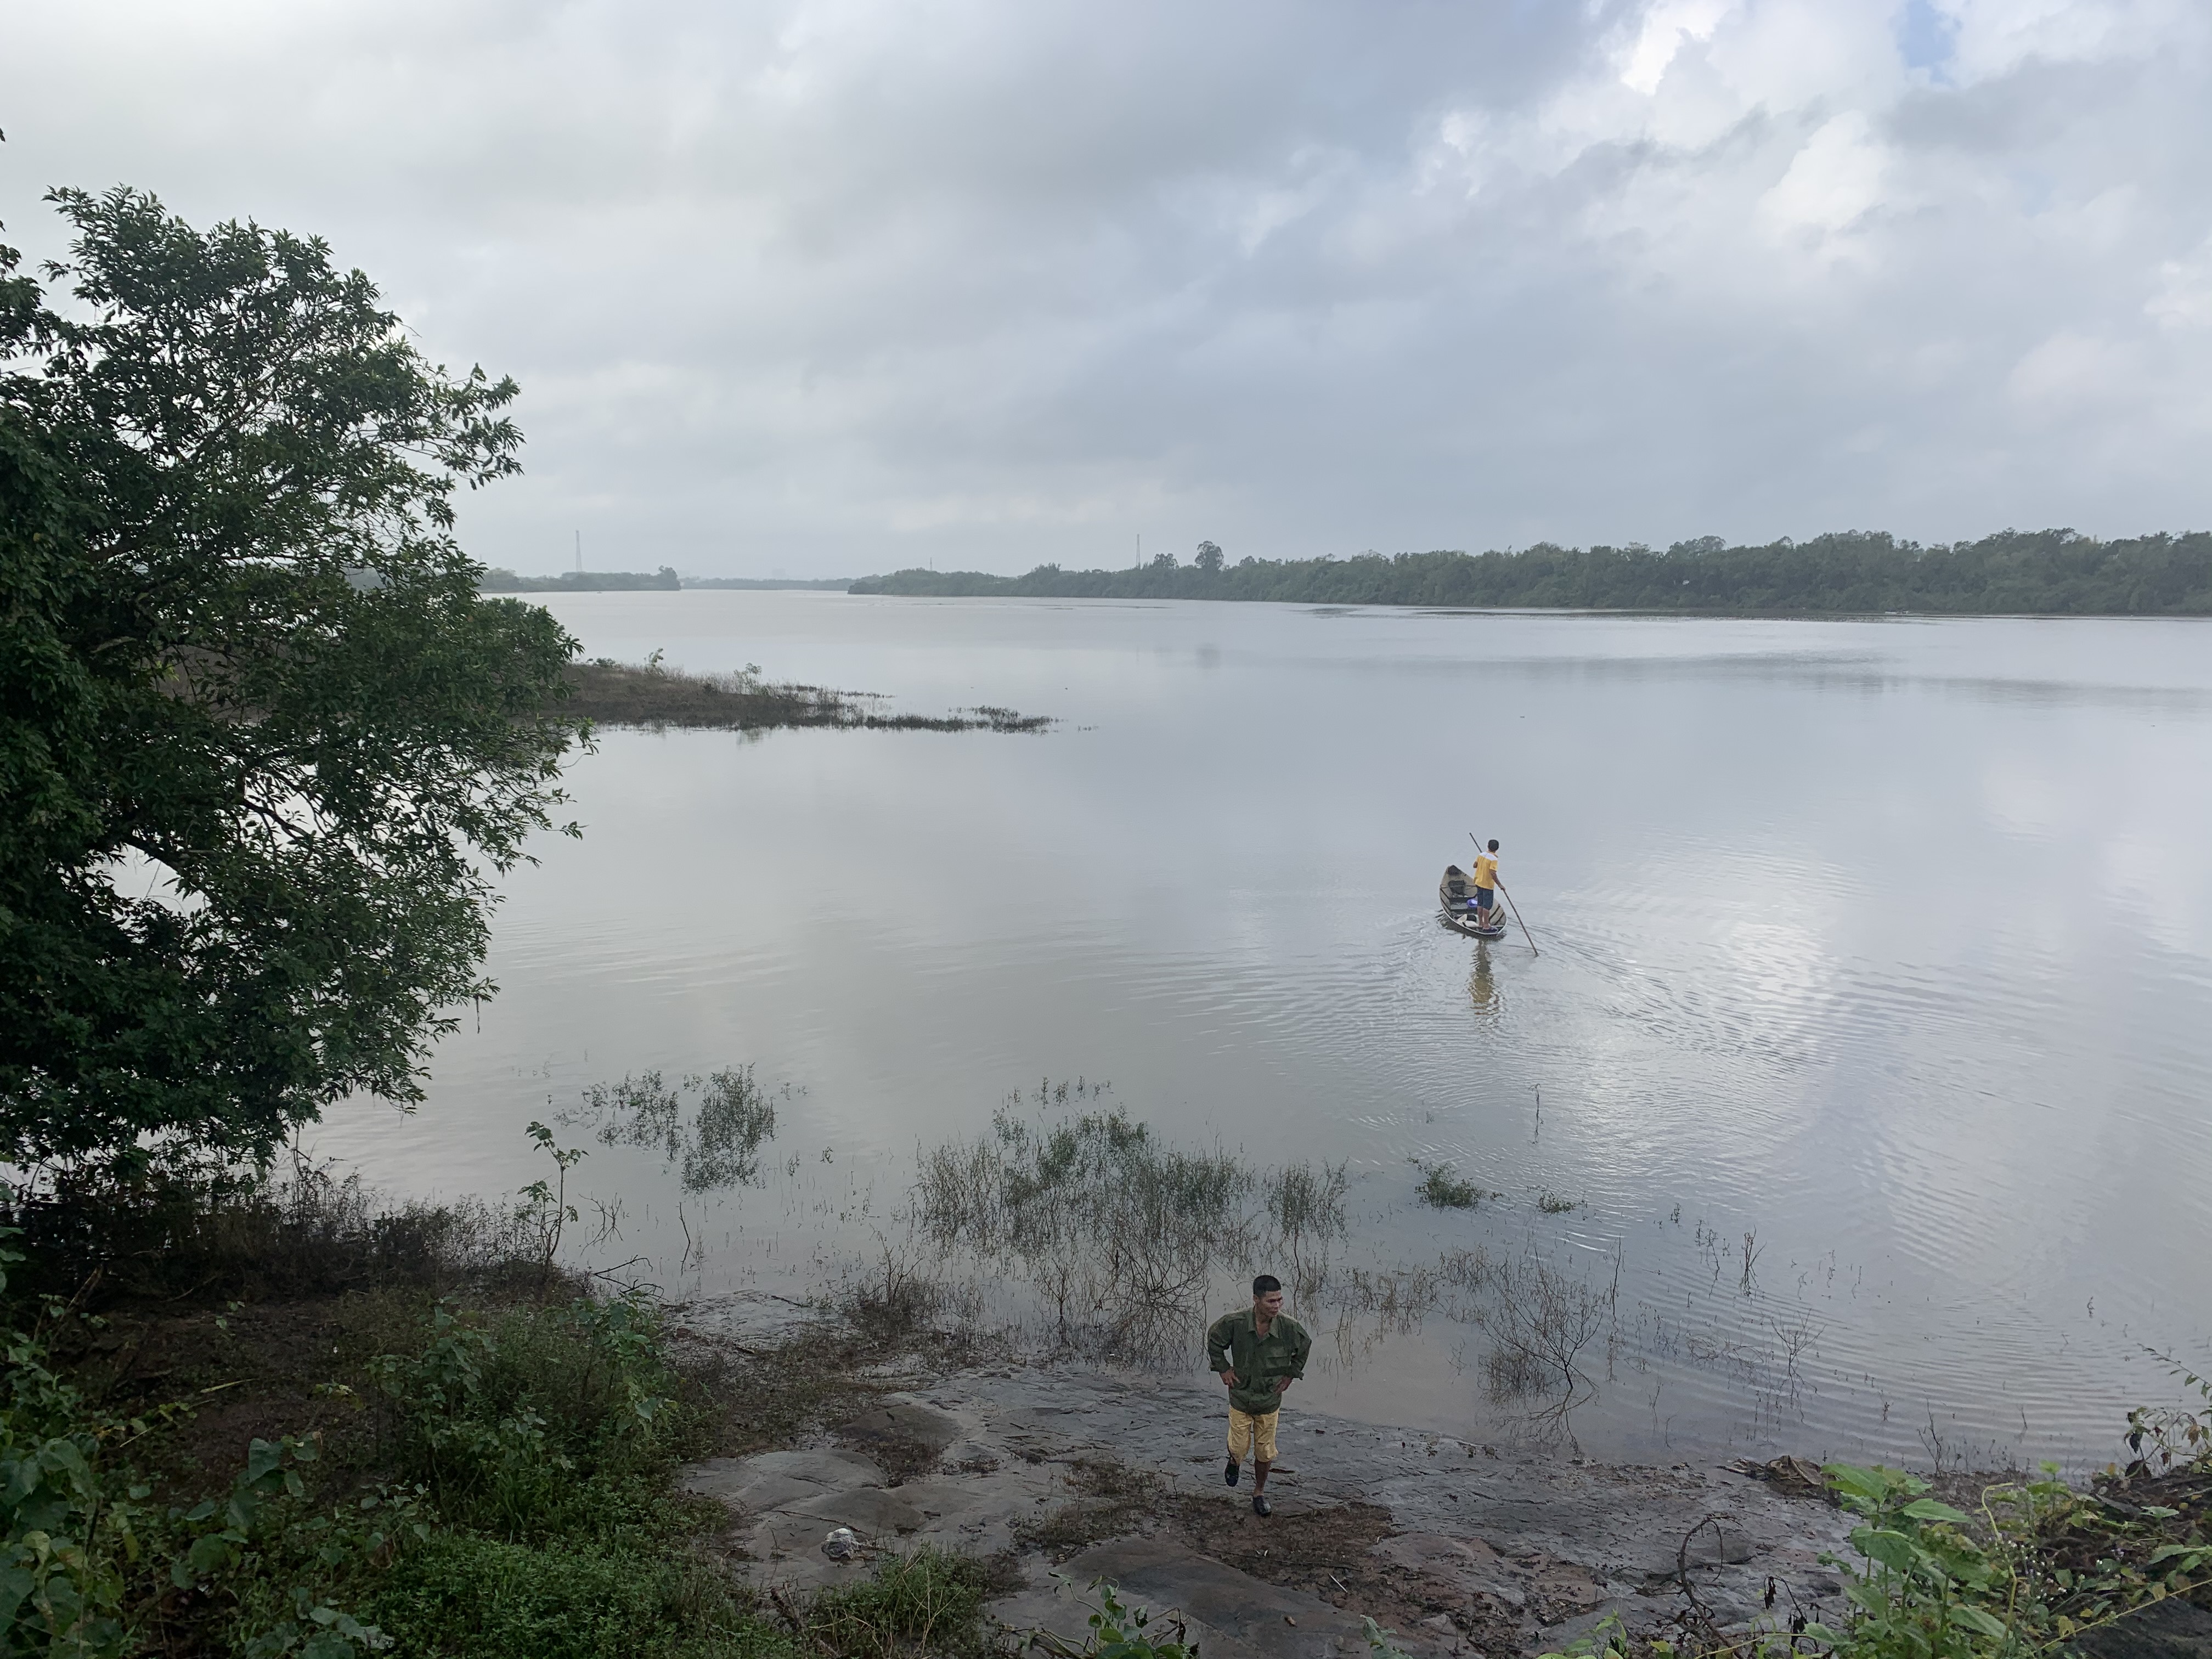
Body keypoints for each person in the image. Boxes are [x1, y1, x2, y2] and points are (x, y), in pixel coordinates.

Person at [1206, 1274, 1311, 1517]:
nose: (1277, 1306)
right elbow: (1215, 1340)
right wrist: (1223, 1368)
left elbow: (1305, 1347)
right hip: (1241, 1397)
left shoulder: (1289, 1328)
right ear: (1256, 1300)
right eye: (1271, 1302)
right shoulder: (1236, 1323)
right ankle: (1234, 1462)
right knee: (1239, 1448)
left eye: (1280, 1301)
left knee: (1265, 1452)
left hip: (1269, 1400)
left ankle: (1259, 1493)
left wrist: (1291, 1375)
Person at [1471, 839, 1500, 930]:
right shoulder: (1494, 859)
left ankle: (1481, 923)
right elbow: (1493, 873)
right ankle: (1486, 926)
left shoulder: (1481, 855)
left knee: (1480, 903)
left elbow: (1475, 865)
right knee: (1487, 906)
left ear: (1488, 846)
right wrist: (1500, 885)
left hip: (1479, 882)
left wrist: (1482, 862)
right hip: (1487, 885)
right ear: (1497, 849)